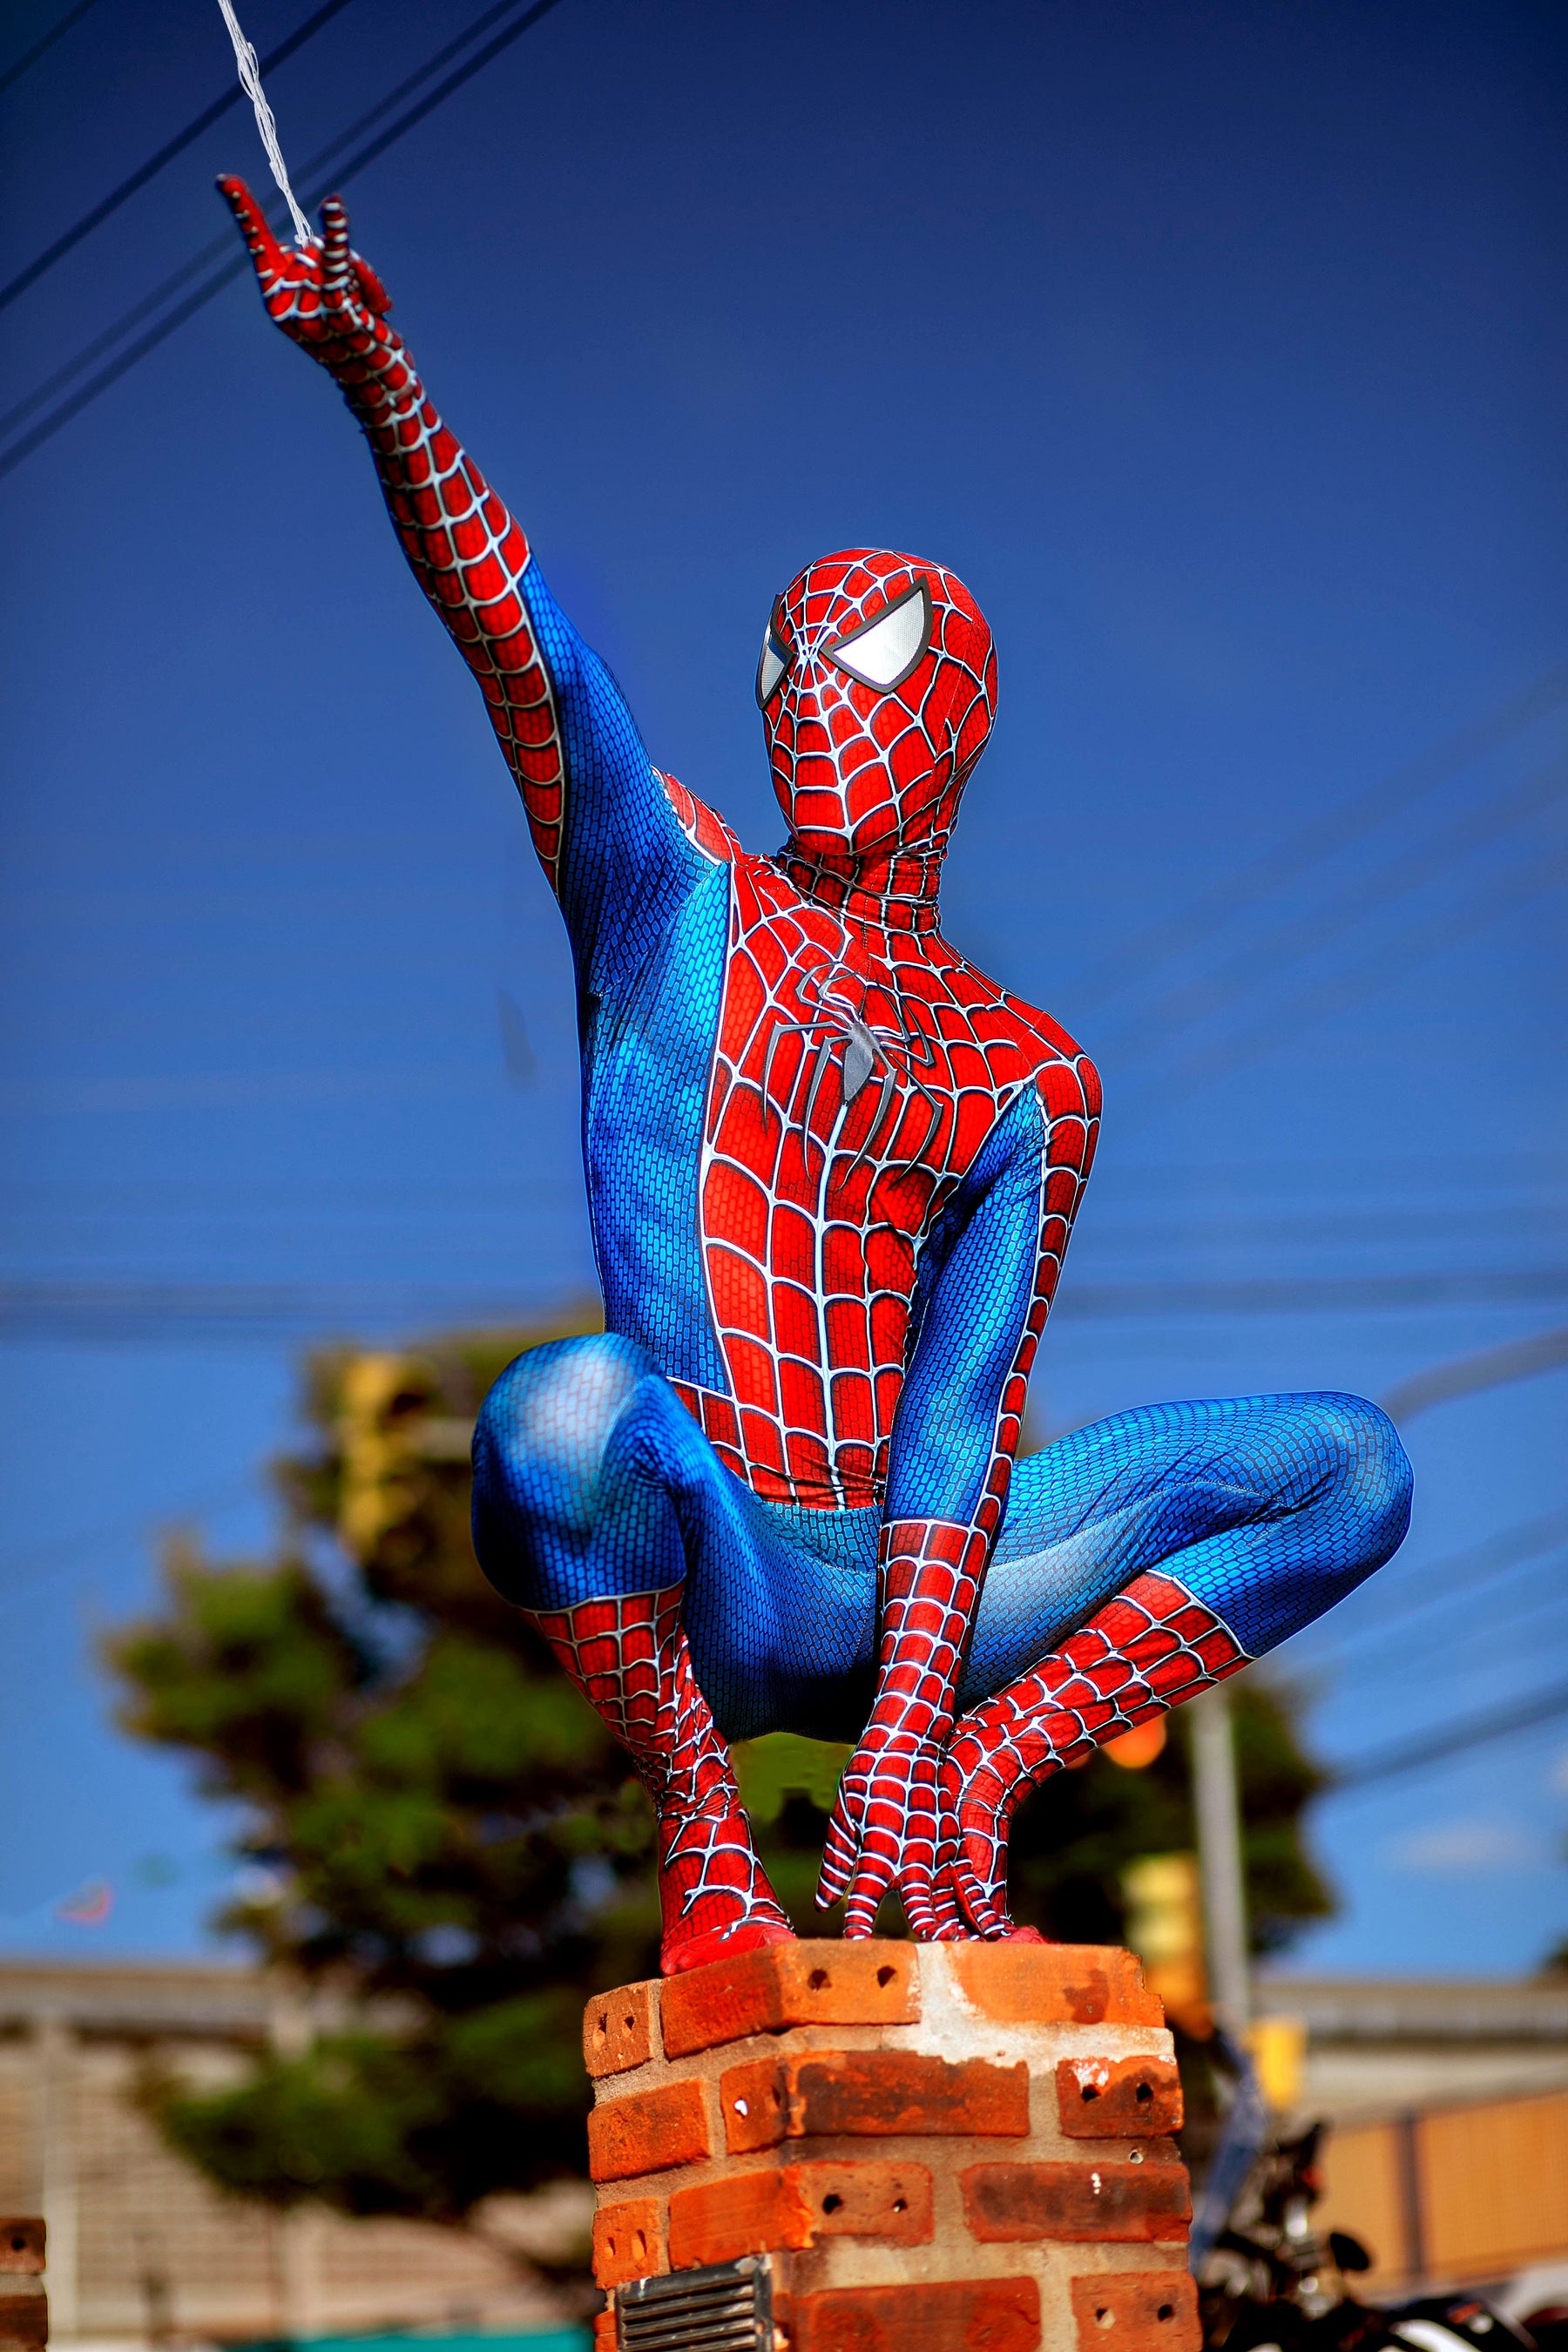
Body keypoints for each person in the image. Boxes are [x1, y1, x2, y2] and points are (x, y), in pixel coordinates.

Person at [222, 182, 1414, 1974]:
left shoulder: (1031, 1070)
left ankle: (994, 1779)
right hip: (718, 1560)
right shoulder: (675, 903)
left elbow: (963, 1413)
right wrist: (383, 382)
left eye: (850, 661)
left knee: (1345, 1470)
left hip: (916, 1588)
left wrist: (938, 1742)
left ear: (953, 712)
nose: (799, 696)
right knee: (556, 1415)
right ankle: (704, 1834)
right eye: (781, 662)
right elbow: (532, 653)